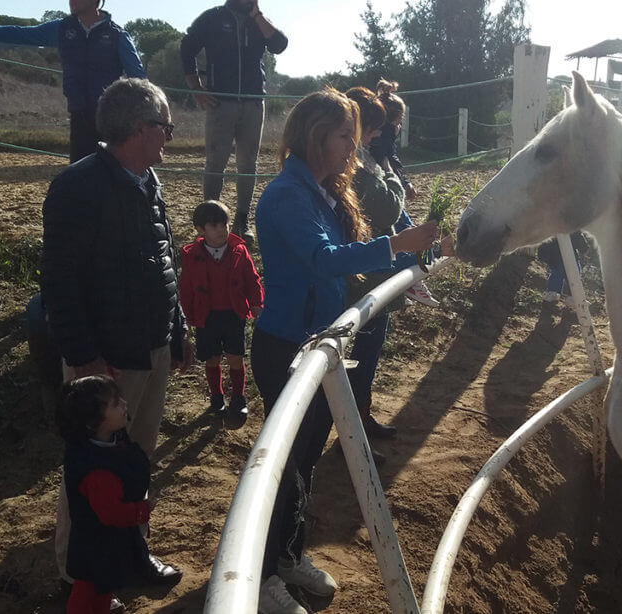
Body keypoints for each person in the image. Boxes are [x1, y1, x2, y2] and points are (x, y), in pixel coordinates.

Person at [250, 87, 450, 614]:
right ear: (316, 135)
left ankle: (288, 555)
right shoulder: (288, 195)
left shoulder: (321, 189)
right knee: (287, 464)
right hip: (287, 344)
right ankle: (264, 576)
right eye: (344, 136)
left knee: (305, 461)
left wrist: (422, 246)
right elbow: (325, 257)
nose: (352, 149)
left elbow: (353, 246)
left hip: (317, 340)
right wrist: (399, 247)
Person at [41, 77, 191, 595]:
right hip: (105, 361)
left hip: (147, 349)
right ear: (139, 128)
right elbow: (58, 282)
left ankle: (129, 554)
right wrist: (85, 359)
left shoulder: (148, 182)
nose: (169, 137)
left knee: (134, 463)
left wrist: (175, 332)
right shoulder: (77, 187)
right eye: (165, 127)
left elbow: (163, 258)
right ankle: (76, 572)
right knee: (90, 472)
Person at [0, 0, 145, 163]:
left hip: (110, 121)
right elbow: (20, 34)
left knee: (110, 176)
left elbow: (139, 80)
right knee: (80, 177)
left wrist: (143, 117)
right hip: (79, 117)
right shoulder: (63, 28)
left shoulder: (117, 35)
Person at [56, 375, 183, 614]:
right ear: (94, 421)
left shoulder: (109, 441)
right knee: (86, 591)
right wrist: (142, 510)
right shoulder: (97, 470)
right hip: (96, 545)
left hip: (107, 543)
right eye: (115, 403)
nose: (125, 404)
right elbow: (110, 514)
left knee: (104, 586)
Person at [345, 86, 420, 458]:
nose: (377, 135)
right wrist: (391, 175)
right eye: (372, 127)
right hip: (366, 271)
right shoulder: (359, 166)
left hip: (374, 268)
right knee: (363, 348)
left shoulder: (359, 160)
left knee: (370, 349)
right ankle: (352, 431)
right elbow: (388, 208)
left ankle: (361, 415)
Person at [180, 0, 288, 245]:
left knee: (248, 163)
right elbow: (187, 47)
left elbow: (280, 45)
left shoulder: (259, 21)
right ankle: (209, 219)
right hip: (220, 103)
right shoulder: (212, 17)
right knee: (215, 162)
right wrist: (195, 87)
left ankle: (242, 219)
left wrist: (258, 15)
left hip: (252, 102)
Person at [179, 200, 263, 428]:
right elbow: (185, 288)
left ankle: (238, 396)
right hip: (206, 317)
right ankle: (216, 397)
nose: (221, 230)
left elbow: (252, 279)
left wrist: (256, 302)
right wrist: (186, 316)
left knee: (235, 357)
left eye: (224, 224)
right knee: (212, 358)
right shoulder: (191, 255)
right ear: (199, 229)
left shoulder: (239, 250)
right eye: (214, 225)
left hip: (234, 314)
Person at [368, 79, 441, 308]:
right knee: (405, 232)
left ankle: (412, 278)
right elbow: (389, 161)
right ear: (393, 119)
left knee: (401, 233)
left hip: (385, 190)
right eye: (400, 120)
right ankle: (413, 278)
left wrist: (406, 182)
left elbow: (391, 159)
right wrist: (402, 182)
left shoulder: (383, 134)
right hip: (384, 193)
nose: (401, 125)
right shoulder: (384, 135)